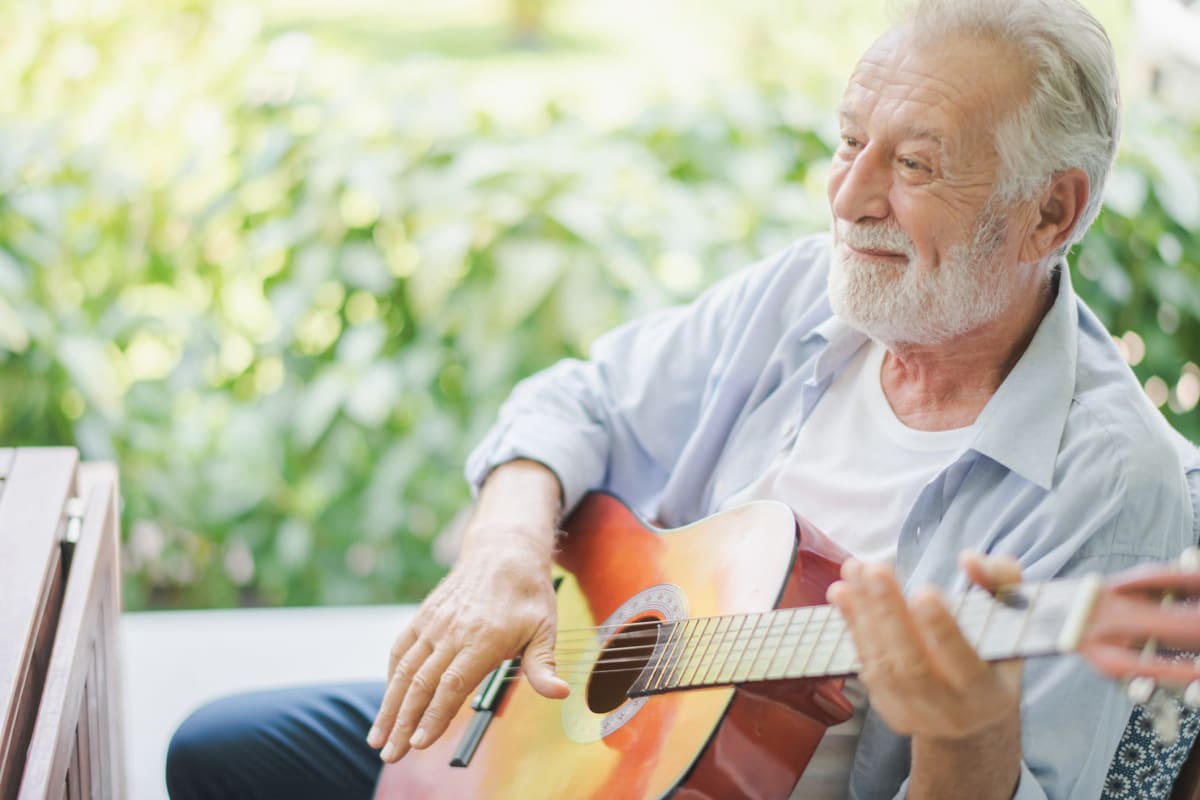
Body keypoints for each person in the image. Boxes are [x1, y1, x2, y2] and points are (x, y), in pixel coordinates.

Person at [165, 0, 1195, 798]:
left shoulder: (1110, 483)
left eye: (914, 164)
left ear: (1051, 210)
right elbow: (580, 399)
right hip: (559, 717)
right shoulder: (809, 290)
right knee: (216, 751)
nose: (847, 197)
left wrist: (968, 737)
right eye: (849, 143)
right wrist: (504, 554)